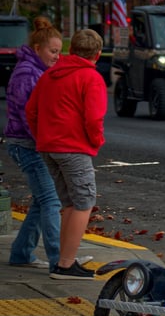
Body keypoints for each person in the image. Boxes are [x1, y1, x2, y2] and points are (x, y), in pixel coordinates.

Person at [26, 29, 107, 280]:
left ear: (70, 51)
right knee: (84, 201)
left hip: (49, 146)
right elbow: (94, 117)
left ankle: (62, 261)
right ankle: (66, 264)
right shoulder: (90, 78)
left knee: (69, 203)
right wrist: (97, 141)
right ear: (98, 54)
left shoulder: (50, 75)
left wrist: (42, 136)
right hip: (74, 147)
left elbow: (31, 111)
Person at [5, 17, 63, 271]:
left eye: (59, 52)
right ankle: (59, 259)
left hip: (28, 143)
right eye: (53, 51)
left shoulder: (34, 70)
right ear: (38, 48)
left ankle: (22, 252)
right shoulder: (29, 73)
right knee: (51, 201)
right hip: (28, 144)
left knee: (43, 201)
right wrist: (47, 142)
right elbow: (30, 114)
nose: (57, 57)